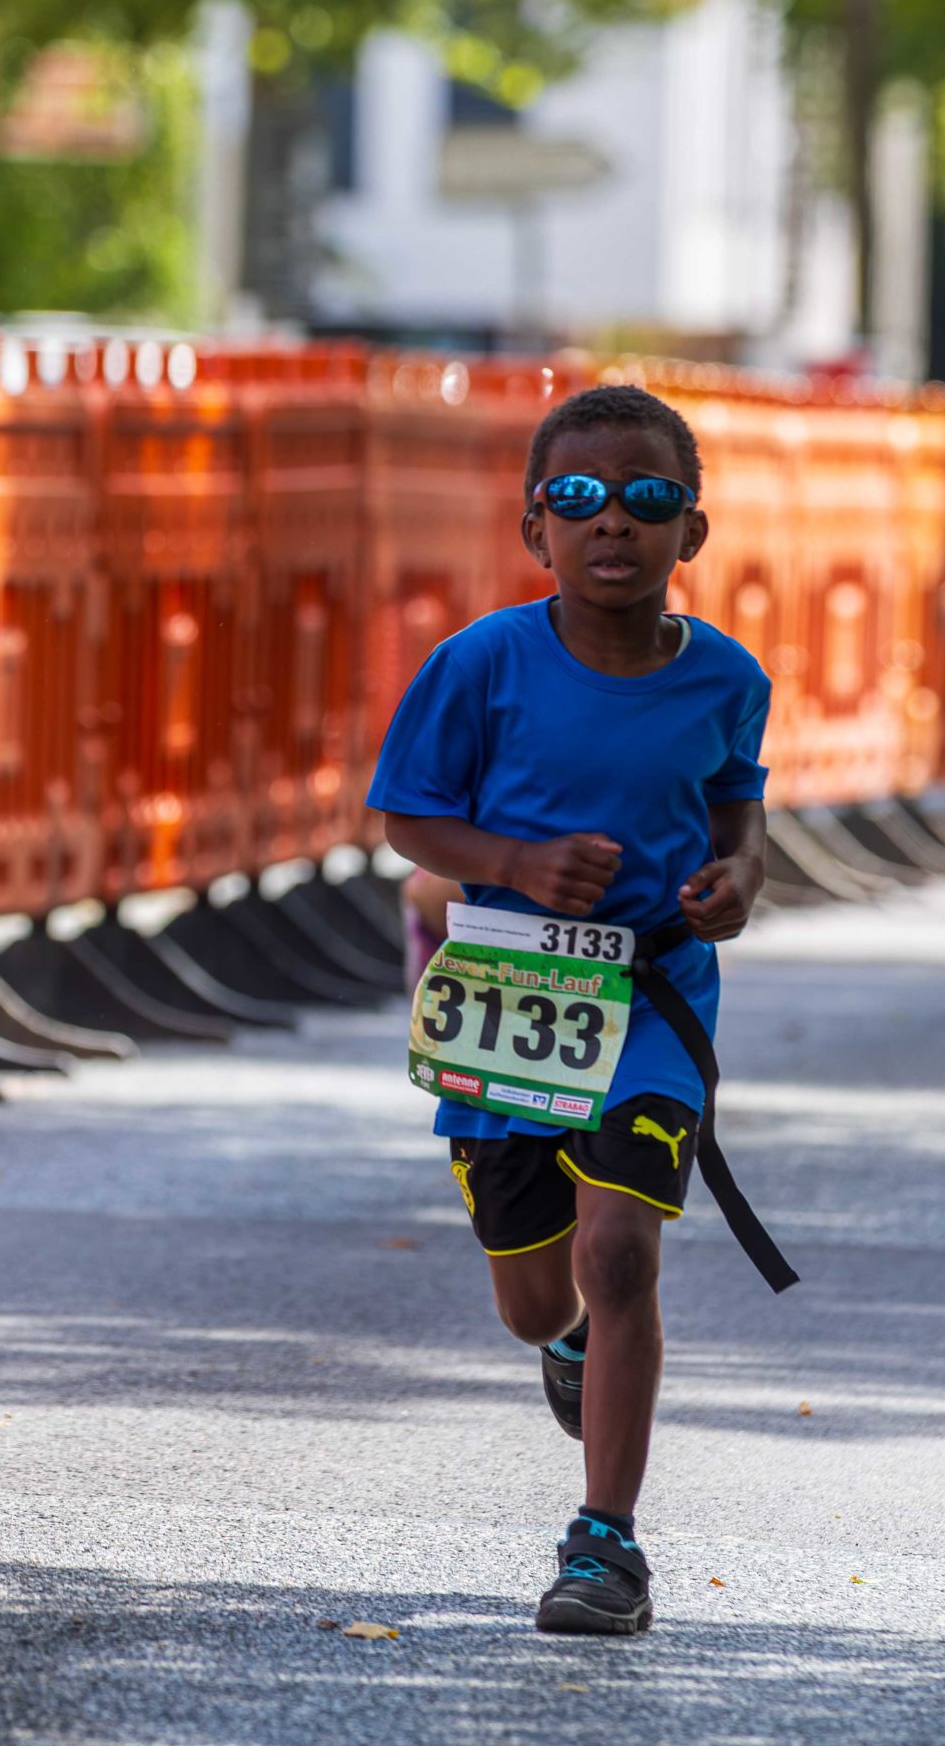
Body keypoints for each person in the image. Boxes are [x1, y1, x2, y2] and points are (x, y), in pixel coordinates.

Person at [369, 383, 785, 1638]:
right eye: (580, 497)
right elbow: (406, 818)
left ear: (690, 531)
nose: (614, 521)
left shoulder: (726, 676)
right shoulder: (480, 664)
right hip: (509, 993)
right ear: (534, 527)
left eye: (648, 498)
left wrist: (738, 878)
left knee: (619, 1254)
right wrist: (512, 861)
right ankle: (566, 1348)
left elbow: (738, 808)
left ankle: (605, 1542)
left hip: (652, 996)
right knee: (538, 1302)